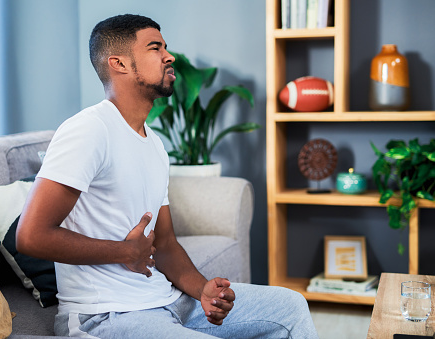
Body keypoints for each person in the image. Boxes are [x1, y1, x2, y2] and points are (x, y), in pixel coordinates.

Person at [16, 14, 319, 339]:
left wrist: (202, 290)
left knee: (290, 306)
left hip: (169, 300)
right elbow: (31, 236)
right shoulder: (89, 130)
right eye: (154, 47)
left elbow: (165, 244)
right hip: (107, 316)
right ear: (119, 63)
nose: (169, 55)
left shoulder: (155, 145)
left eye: (165, 47)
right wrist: (124, 251)